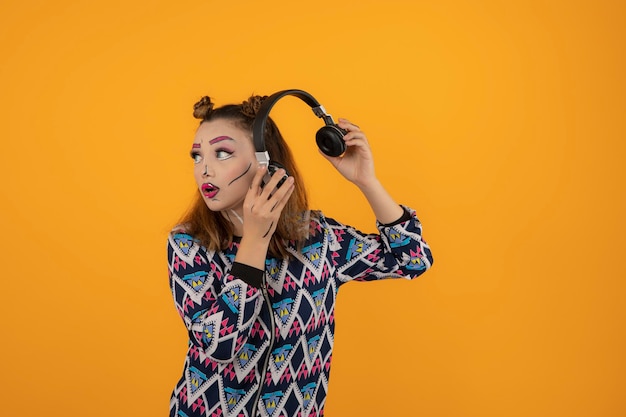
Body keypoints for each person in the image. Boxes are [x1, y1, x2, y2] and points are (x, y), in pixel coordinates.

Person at [167, 93, 434, 417]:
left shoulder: (318, 239)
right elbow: (220, 345)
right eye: (197, 157)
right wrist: (254, 241)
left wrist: (367, 181)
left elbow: (412, 259)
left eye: (222, 153)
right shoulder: (189, 245)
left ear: (268, 163)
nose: (204, 169)